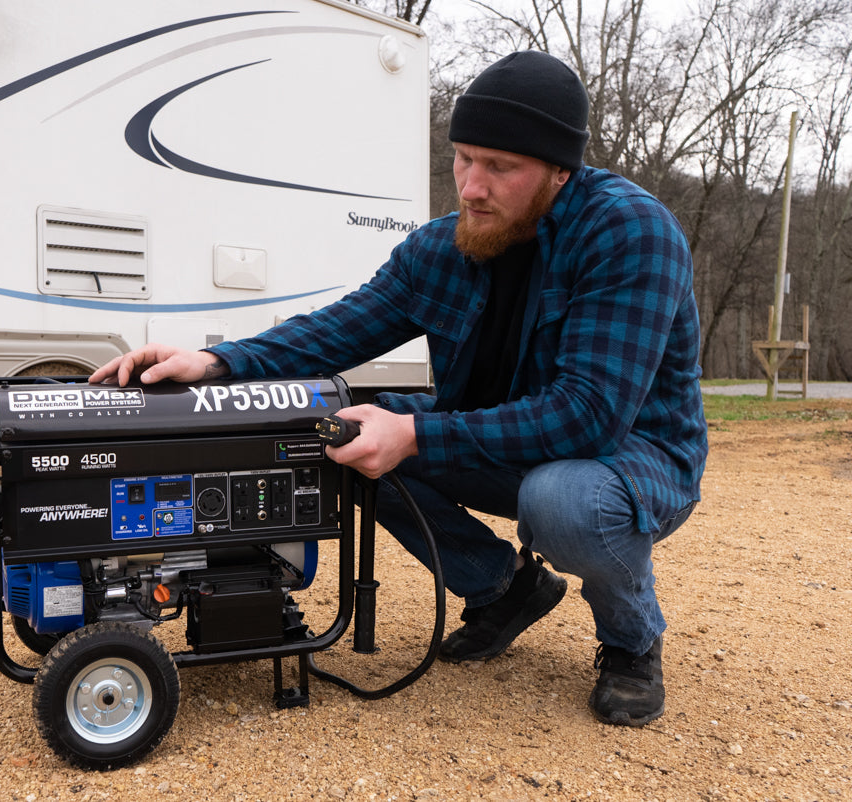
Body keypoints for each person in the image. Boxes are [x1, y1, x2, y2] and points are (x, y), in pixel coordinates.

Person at [90, 51, 708, 727]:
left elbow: (587, 416)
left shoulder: (628, 232)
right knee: (344, 431)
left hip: (628, 460)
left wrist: (413, 433)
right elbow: (336, 330)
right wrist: (216, 363)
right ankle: (504, 589)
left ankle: (631, 640)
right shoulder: (445, 247)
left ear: (562, 170)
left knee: (561, 500)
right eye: (464, 158)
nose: (472, 187)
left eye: (501, 167)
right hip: (504, 434)